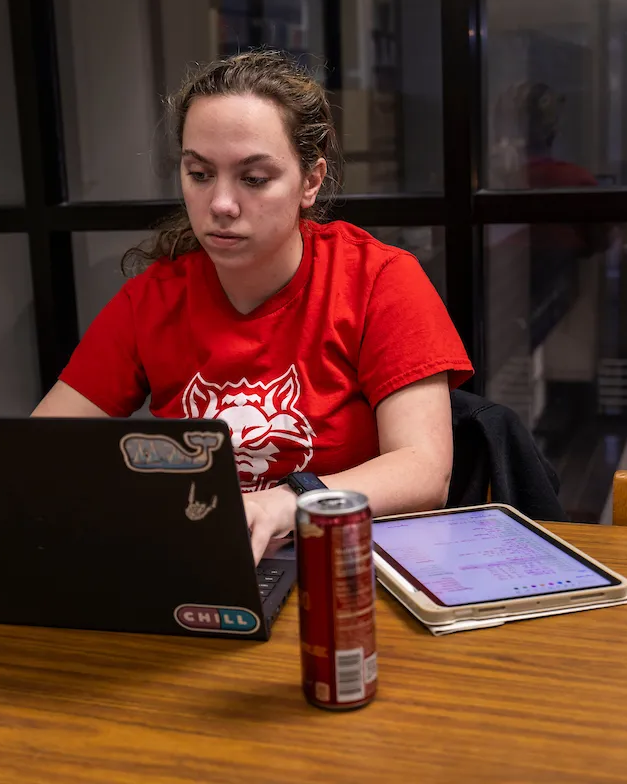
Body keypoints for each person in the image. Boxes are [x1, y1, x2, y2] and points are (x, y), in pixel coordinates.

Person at [33, 50, 472, 563]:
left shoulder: (378, 280)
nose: (221, 203)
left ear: (310, 181)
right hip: (203, 560)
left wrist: (288, 502)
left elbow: (424, 469)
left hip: (344, 565)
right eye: (199, 173)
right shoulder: (154, 297)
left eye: (254, 178)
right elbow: (42, 449)